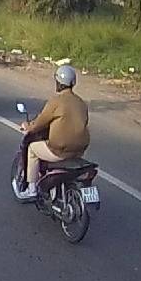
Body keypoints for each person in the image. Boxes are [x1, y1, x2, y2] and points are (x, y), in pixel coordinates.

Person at [18, 65, 91, 200]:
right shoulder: (81, 103)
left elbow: (40, 122)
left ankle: (31, 189)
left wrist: (28, 126)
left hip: (59, 151)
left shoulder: (56, 102)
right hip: (79, 151)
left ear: (58, 82)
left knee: (32, 149)